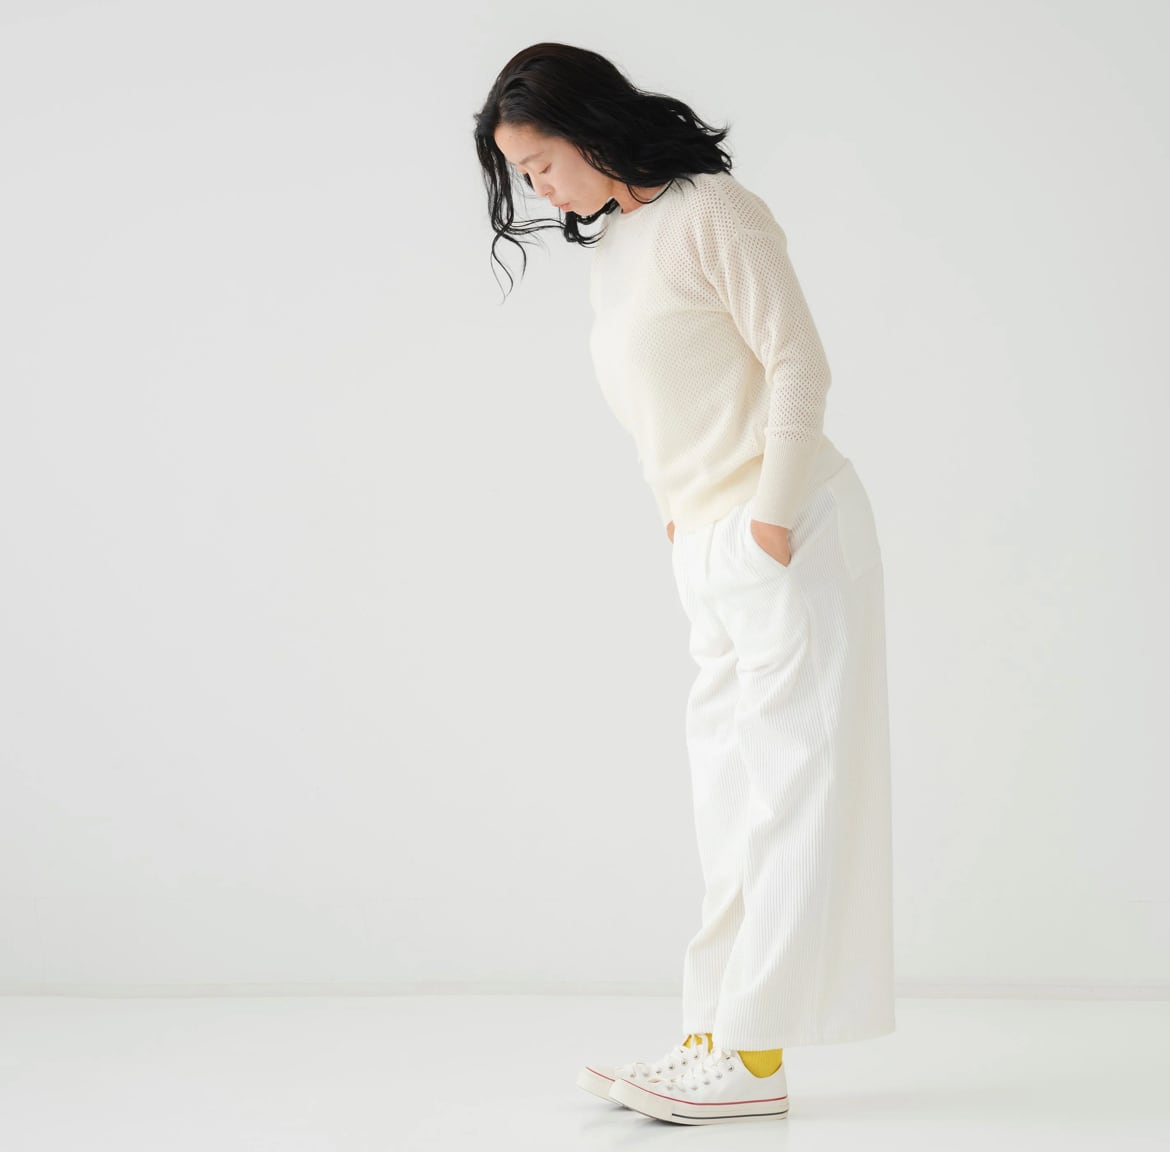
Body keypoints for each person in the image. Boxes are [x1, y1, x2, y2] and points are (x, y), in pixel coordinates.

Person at [473, 42, 895, 1126]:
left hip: (784, 531)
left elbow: (798, 363)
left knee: (790, 794)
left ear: (591, 130)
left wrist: (769, 518)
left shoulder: (716, 214)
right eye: (522, 175)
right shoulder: (622, 242)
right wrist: (683, 515)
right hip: (710, 544)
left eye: (540, 164)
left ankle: (754, 1056)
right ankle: (711, 1029)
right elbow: (671, 399)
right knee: (728, 800)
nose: (538, 191)